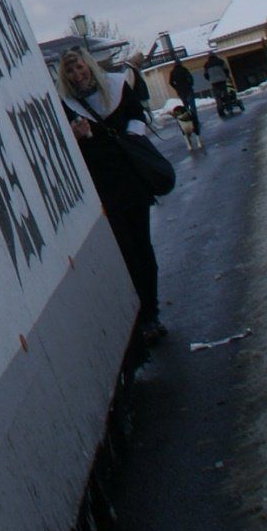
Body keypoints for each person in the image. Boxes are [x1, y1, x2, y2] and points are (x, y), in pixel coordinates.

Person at [59, 48, 166, 353]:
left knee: (142, 247)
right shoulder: (66, 104)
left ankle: (151, 312)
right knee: (126, 250)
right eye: (71, 72)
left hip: (130, 177)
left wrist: (130, 137)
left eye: (80, 68)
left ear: (89, 67)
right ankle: (138, 315)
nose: (78, 75)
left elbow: (137, 116)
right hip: (102, 185)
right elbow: (63, 142)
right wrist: (75, 135)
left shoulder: (116, 86)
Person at [166, 58, 201, 136]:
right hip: (188, 89)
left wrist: (176, 87)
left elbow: (170, 82)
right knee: (192, 106)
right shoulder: (184, 69)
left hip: (181, 91)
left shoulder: (173, 72)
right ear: (180, 63)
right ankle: (195, 121)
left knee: (186, 107)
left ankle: (188, 121)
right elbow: (190, 78)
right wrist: (190, 84)